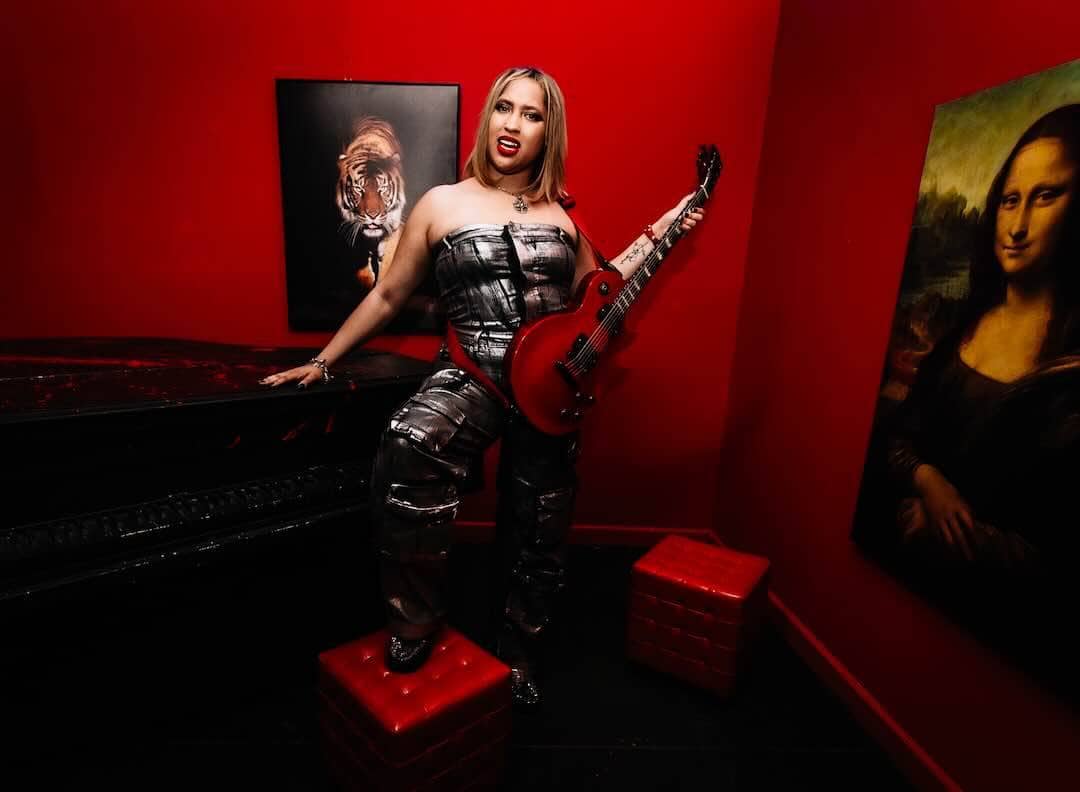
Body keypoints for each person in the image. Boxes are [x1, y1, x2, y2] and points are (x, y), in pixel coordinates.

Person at [261, 66, 705, 706]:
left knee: (542, 519)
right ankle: (414, 621)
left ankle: (520, 648)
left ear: (547, 131)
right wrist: (325, 360)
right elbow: (388, 292)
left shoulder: (560, 216)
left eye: (532, 114)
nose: (513, 124)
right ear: (487, 118)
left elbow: (600, 290)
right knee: (410, 443)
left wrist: (663, 232)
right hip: (470, 372)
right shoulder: (443, 201)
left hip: (549, 385)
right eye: (505, 108)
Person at [885, 103, 1080, 579]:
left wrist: (948, 532)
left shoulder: (1070, 365)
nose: (1017, 226)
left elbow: (1059, 553)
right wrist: (926, 479)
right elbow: (901, 434)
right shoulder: (964, 326)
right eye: (1011, 200)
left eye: (1046, 195)